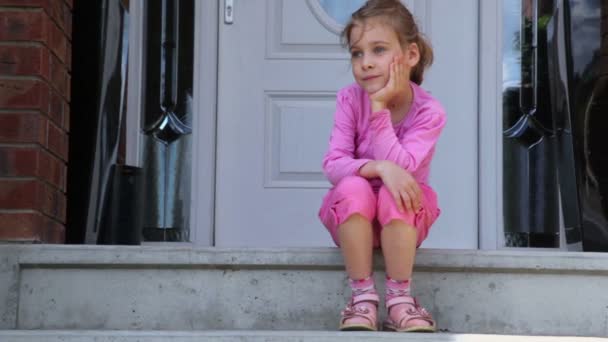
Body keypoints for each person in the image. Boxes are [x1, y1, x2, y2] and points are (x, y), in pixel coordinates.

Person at [318, 0, 446, 332]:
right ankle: (362, 299)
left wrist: (379, 110)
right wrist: (378, 167)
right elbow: (333, 164)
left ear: (411, 56)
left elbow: (404, 171)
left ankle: (400, 300)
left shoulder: (429, 112)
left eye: (378, 50)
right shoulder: (349, 99)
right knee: (352, 186)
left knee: (397, 190)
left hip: (402, 220)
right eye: (357, 53)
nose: (366, 63)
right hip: (353, 221)